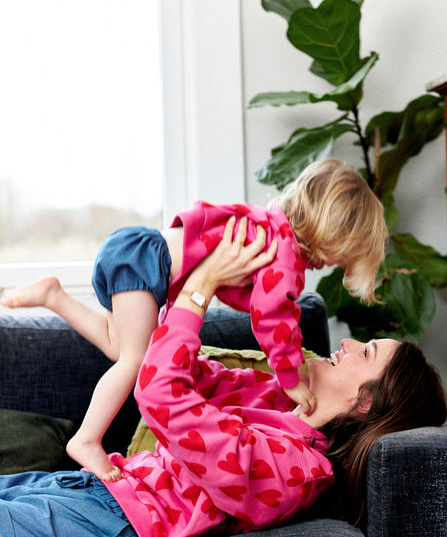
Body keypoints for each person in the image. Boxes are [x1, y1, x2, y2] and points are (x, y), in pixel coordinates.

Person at [0, 218, 446, 537]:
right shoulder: (277, 398)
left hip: (107, 523)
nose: (347, 343)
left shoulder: (296, 471)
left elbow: (159, 395)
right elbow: (182, 368)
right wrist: (186, 268)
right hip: (92, 487)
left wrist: (203, 286)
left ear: (364, 402)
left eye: (364, 353)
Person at [0, 159, 387, 482]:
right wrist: (292, 378)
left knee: (123, 346)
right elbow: (273, 318)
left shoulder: (266, 227)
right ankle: (86, 439)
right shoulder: (283, 253)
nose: (333, 265)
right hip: (146, 265)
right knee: (135, 363)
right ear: (332, 231)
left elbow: (243, 290)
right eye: (343, 256)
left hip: (135, 255)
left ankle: (54, 295)